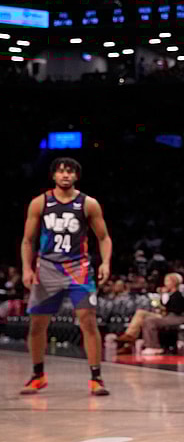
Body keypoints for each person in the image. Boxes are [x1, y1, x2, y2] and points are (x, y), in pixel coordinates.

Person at [20, 157, 112, 396]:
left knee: (89, 322)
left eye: (70, 171)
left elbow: (103, 237)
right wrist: (27, 269)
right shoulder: (39, 203)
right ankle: (38, 375)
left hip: (78, 269)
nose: (65, 175)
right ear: (53, 176)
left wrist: (106, 262)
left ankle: (96, 378)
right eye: (61, 171)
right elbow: (28, 240)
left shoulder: (88, 203)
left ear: (76, 176)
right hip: (47, 269)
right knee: (37, 325)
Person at [141, 273, 184, 356]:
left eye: (168, 281)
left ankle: (154, 346)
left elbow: (176, 310)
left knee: (150, 321)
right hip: (169, 316)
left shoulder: (178, 294)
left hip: (177, 317)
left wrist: (164, 304)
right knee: (147, 320)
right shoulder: (170, 295)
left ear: (174, 282)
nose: (165, 283)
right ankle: (149, 345)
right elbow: (164, 306)